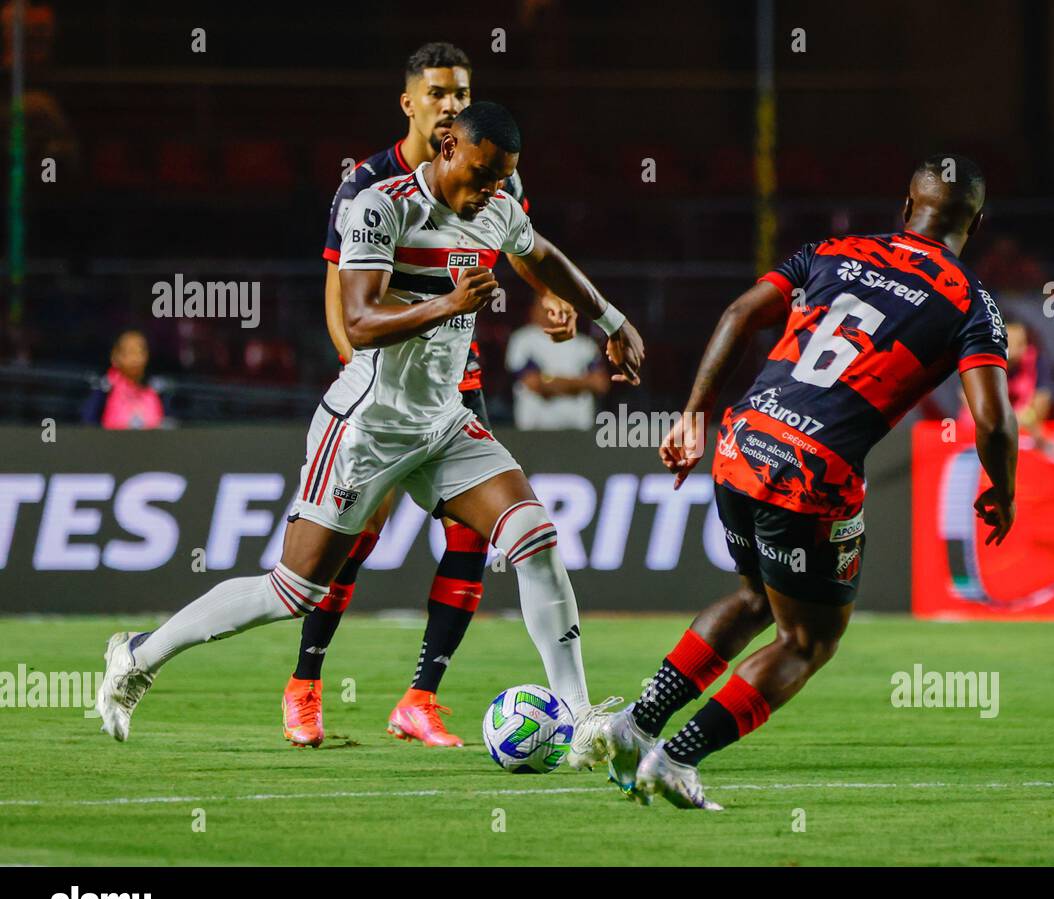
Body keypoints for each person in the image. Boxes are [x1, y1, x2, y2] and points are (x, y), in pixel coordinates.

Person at [96, 103, 646, 774]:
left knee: (533, 537)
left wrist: (611, 320)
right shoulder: (380, 206)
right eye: (478, 174)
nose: (487, 192)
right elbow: (357, 320)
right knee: (292, 591)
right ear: (446, 145)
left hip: (444, 423)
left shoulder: (498, 208)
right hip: (367, 427)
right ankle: (139, 655)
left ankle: (582, 716)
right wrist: (448, 302)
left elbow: (543, 255)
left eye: (500, 179)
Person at [594, 155, 1018, 809]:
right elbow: (991, 420)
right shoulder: (970, 301)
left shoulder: (831, 251)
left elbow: (739, 312)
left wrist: (692, 417)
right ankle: (673, 759)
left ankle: (635, 724)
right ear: (978, 223)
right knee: (807, 640)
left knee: (753, 597)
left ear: (906, 206)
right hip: (812, 471)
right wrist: (1003, 489)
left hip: (743, 441)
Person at [283, 42, 580, 750]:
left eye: (462, 91)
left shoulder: (491, 170)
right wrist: (369, 376)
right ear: (410, 102)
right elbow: (342, 298)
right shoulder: (368, 184)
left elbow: (517, 243)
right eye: (440, 91)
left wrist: (554, 297)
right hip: (385, 393)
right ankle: (305, 685)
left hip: (460, 386)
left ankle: (420, 697)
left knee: (474, 536)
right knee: (353, 539)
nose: (451, 102)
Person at [507, 292, 609, 429]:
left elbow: (600, 384)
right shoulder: (523, 340)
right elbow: (533, 383)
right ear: (533, 310)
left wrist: (552, 382)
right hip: (535, 430)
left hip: (578, 429)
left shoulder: (585, 344)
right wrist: (583, 383)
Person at [81, 330, 166, 430]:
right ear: (115, 356)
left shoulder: (156, 388)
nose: (136, 358)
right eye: (130, 352)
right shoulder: (106, 388)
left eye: (140, 352)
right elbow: (88, 422)